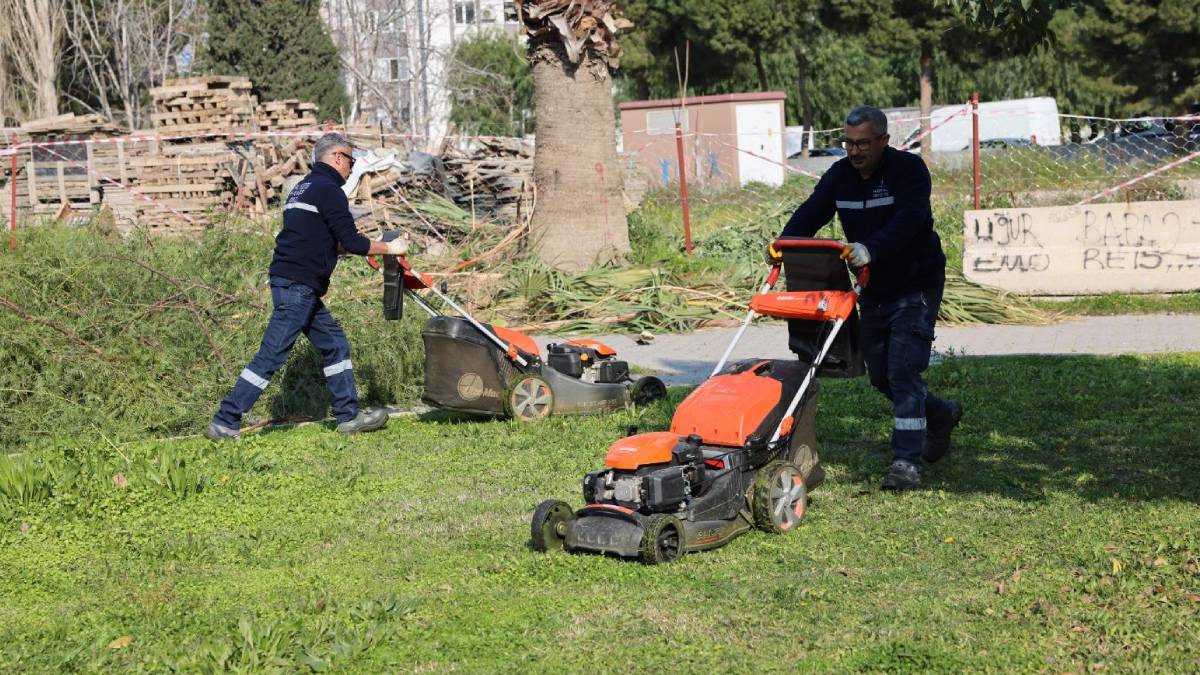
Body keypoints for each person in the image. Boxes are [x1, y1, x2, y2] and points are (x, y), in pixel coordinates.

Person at [768, 106, 963, 490]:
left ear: (883, 141)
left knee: (902, 371)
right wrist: (785, 243)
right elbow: (811, 212)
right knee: (879, 376)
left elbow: (910, 221)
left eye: (862, 144)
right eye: (848, 143)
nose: (854, 151)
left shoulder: (908, 171)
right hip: (872, 287)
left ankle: (906, 462)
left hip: (914, 283)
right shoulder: (840, 176)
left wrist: (871, 248)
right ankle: (939, 415)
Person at [204, 132, 410, 441]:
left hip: (296, 284)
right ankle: (225, 420)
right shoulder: (329, 191)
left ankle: (348, 416)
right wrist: (389, 249)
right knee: (272, 354)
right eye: (351, 161)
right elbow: (353, 241)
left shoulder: (303, 188)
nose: (352, 168)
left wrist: (366, 249)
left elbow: (324, 240)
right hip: (298, 286)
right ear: (336, 157)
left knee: (335, 344)